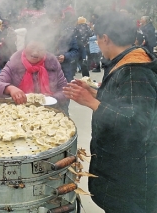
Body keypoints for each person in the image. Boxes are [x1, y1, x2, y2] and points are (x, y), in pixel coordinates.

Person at [63, 13, 157, 212]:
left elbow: (137, 124)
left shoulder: (135, 71)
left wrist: (91, 102)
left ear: (105, 38)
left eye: (97, 38)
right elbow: (123, 103)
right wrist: (94, 92)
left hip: (131, 179)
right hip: (123, 174)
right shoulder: (126, 62)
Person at [0, 29, 69, 113]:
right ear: (25, 46)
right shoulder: (14, 63)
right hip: (20, 113)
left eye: (40, 49)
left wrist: (53, 98)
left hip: (49, 112)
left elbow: (64, 89)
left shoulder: (52, 64)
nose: (35, 53)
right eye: (32, 47)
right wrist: (10, 88)